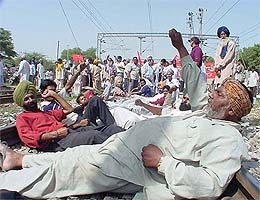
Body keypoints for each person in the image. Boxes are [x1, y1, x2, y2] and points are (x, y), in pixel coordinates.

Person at [0, 28, 253, 200]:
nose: (211, 94)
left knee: (69, 170)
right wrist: (181, 49)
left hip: (135, 165)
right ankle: (20, 161)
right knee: (73, 156)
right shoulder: (208, 115)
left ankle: (7, 186)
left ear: (231, 109)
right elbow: (197, 87)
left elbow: (210, 184)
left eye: (218, 94)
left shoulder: (228, 140)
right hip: (123, 147)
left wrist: (164, 164)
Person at [12, 80, 123, 152]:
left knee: (111, 129)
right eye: (26, 99)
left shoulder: (45, 113)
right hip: (58, 141)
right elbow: (28, 137)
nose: (31, 100)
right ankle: (124, 151)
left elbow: (69, 109)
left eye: (32, 97)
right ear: (21, 102)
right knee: (94, 136)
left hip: (71, 132)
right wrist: (55, 134)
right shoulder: (22, 118)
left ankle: (132, 141)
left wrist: (54, 94)